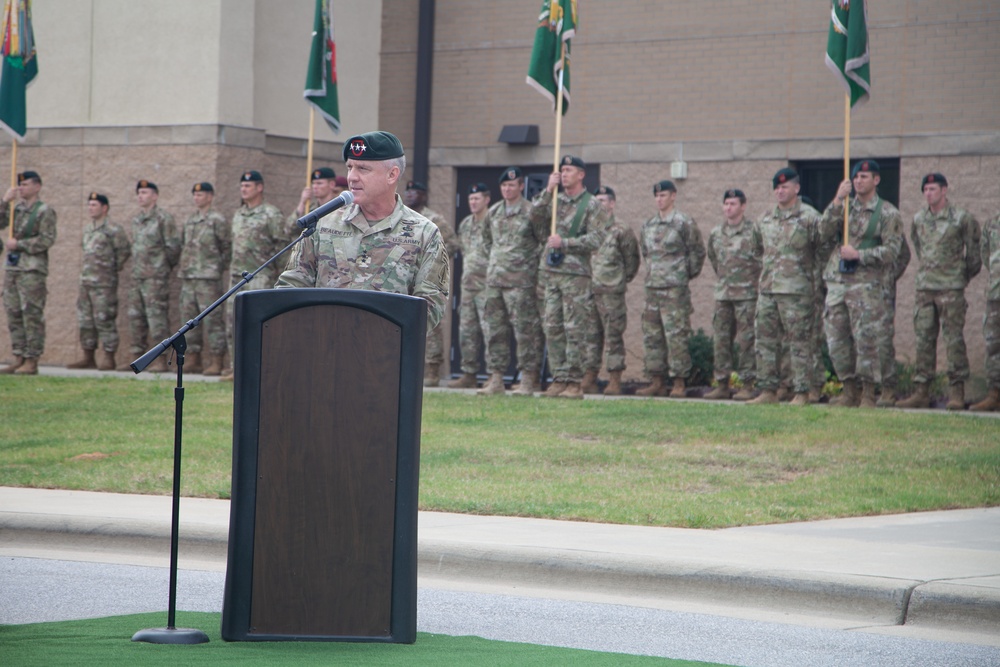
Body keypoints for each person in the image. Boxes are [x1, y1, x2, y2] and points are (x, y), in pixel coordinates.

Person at [276, 130, 450, 331]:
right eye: (349, 167)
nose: (352, 177)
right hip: (322, 347)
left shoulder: (424, 233)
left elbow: (430, 304)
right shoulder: (323, 223)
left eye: (363, 169)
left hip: (385, 353)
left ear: (392, 174)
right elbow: (292, 285)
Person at [818, 160, 903, 408]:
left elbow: (893, 251)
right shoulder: (844, 207)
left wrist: (860, 255)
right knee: (837, 340)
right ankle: (848, 390)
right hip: (838, 284)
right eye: (856, 177)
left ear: (876, 180)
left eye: (864, 177)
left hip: (867, 286)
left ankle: (868, 392)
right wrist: (837, 199)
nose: (858, 181)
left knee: (867, 341)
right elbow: (823, 231)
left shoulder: (887, 213)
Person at [898, 173, 982, 410]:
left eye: (933, 189)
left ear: (944, 190)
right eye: (925, 190)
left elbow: (975, 255)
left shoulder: (961, 218)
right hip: (925, 288)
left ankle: (957, 392)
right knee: (924, 339)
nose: (928, 193)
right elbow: (919, 247)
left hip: (951, 288)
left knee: (953, 340)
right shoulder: (918, 219)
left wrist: (960, 277)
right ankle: (922, 391)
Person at [529, 155, 609, 399]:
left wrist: (566, 242)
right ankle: (559, 377)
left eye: (568, 170)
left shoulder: (592, 204)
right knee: (552, 327)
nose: (564, 174)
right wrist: (547, 190)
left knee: (574, 329)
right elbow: (533, 217)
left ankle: (574, 381)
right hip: (551, 274)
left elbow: (597, 239)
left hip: (575, 275)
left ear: (581, 174)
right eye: (561, 170)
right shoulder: (555, 200)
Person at [748, 168, 823, 405]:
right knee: (765, 341)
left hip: (797, 292)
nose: (780, 191)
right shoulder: (764, 219)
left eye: (785, 187)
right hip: (769, 289)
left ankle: (801, 391)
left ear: (797, 188)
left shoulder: (810, 217)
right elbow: (756, 249)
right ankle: (768, 391)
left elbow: (822, 250)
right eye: (777, 188)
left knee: (799, 342)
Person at [480, 167, 548, 396]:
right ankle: (496, 378)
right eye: (504, 186)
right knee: (494, 331)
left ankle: (528, 379)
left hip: (521, 282)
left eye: (512, 185)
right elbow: (487, 241)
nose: (508, 189)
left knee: (525, 332)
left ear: (521, 186)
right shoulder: (494, 212)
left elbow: (542, 242)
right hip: (495, 281)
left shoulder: (531, 212)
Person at [637, 179, 706, 398]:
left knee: (676, 337)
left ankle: (678, 382)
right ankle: (657, 380)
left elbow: (697, 251)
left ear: (673, 196)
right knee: (653, 336)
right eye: (656, 196)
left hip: (675, 290)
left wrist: (684, 275)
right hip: (653, 289)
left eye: (663, 195)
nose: (659, 199)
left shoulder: (683, 222)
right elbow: (645, 252)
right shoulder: (648, 225)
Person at [222, 170, 285, 379]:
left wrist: (279, 276)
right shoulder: (238, 214)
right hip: (236, 277)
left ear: (259, 187)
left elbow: (281, 247)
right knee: (233, 323)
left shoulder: (271, 214)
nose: (243, 189)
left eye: (248, 186)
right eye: (241, 186)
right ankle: (235, 367)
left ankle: (260, 367)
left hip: (261, 275)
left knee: (258, 325)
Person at [704, 189, 761, 401]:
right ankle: (721, 384)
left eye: (733, 204)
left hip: (747, 294)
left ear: (743, 206)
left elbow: (762, 258)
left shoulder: (754, 231)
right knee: (721, 340)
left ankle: (747, 384)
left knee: (746, 341)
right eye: (726, 203)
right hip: (723, 294)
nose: (728, 208)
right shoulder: (716, 233)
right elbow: (713, 258)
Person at [120, 180, 180, 373]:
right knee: (135, 318)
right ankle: (136, 358)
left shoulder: (164, 218)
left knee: (157, 319)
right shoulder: (137, 220)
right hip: (137, 277)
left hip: (155, 278)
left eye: (144, 192)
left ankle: (160, 359)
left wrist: (160, 268)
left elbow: (173, 248)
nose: (140, 196)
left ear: (154, 196)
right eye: (139, 192)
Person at [0, 171, 57, 375]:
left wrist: (20, 244)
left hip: (31, 270)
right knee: (13, 313)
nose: (21, 188)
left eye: (25, 184)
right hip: (13, 269)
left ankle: (32, 359)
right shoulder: (16, 209)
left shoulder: (44, 211)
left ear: (37, 186)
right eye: (19, 184)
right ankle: (18, 356)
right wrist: (5, 201)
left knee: (31, 315)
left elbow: (47, 239)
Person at [67, 193, 130, 371]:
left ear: (104, 208)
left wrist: (109, 270)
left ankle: (109, 357)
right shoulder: (88, 229)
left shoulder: (113, 230)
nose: (90, 208)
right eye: (89, 205)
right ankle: (88, 356)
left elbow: (123, 252)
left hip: (104, 284)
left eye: (94, 205)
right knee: (86, 320)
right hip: (86, 282)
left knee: (104, 319)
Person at [405, 180, 460, 386]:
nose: (410, 195)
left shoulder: (434, 220)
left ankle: (432, 370)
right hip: (404, 279)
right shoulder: (402, 218)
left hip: (425, 279)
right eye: (408, 191)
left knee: (430, 325)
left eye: (415, 192)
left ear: (424, 196)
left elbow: (452, 244)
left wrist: (433, 264)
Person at [590, 185, 640, 395]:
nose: (598, 204)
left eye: (602, 200)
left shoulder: (621, 229)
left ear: (612, 203)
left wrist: (619, 280)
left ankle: (614, 379)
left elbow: (632, 262)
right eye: (596, 200)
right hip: (590, 290)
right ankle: (589, 377)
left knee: (613, 337)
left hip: (611, 292)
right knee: (590, 336)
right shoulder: (589, 228)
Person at [179, 182, 231, 375]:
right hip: (188, 277)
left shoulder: (217, 220)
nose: (197, 198)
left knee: (212, 320)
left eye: (201, 194)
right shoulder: (190, 220)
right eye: (195, 194)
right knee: (188, 319)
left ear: (210, 196)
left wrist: (216, 267)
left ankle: (217, 359)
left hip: (208, 278)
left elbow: (226, 248)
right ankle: (194, 358)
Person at [448, 183, 492, 391]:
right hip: (468, 286)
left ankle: (494, 374)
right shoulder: (465, 223)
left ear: (487, 200)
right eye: (471, 199)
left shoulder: (493, 221)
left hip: (487, 286)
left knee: (491, 330)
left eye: (477, 199)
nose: (473, 202)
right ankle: (469, 373)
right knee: (467, 331)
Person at [971, 210, 1000, 411]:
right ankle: (994, 394)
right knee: (993, 344)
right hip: (995, 293)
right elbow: (985, 253)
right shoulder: (992, 223)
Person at [289, 167, 338, 235]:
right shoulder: (309, 209)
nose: (314, 186)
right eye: (313, 183)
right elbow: (289, 230)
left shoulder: (339, 207)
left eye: (319, 183)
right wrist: (302, 203)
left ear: (332, 184)